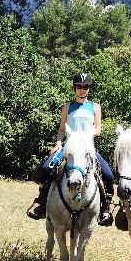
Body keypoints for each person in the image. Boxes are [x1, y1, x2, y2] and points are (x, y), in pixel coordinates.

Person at [26, 72, 114, 226]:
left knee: (107, 174)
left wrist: (86, 135)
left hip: (87, 147)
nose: (83, 89)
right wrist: (59, 142)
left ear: (89, 89)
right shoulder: (67, 107)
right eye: (79, 86)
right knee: (46, 168)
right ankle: (41, 203)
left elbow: (98, 129)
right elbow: (61, 129)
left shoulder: (95, 107)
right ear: (74, 88)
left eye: (86, 87)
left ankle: (105, 208)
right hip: (69, 146)